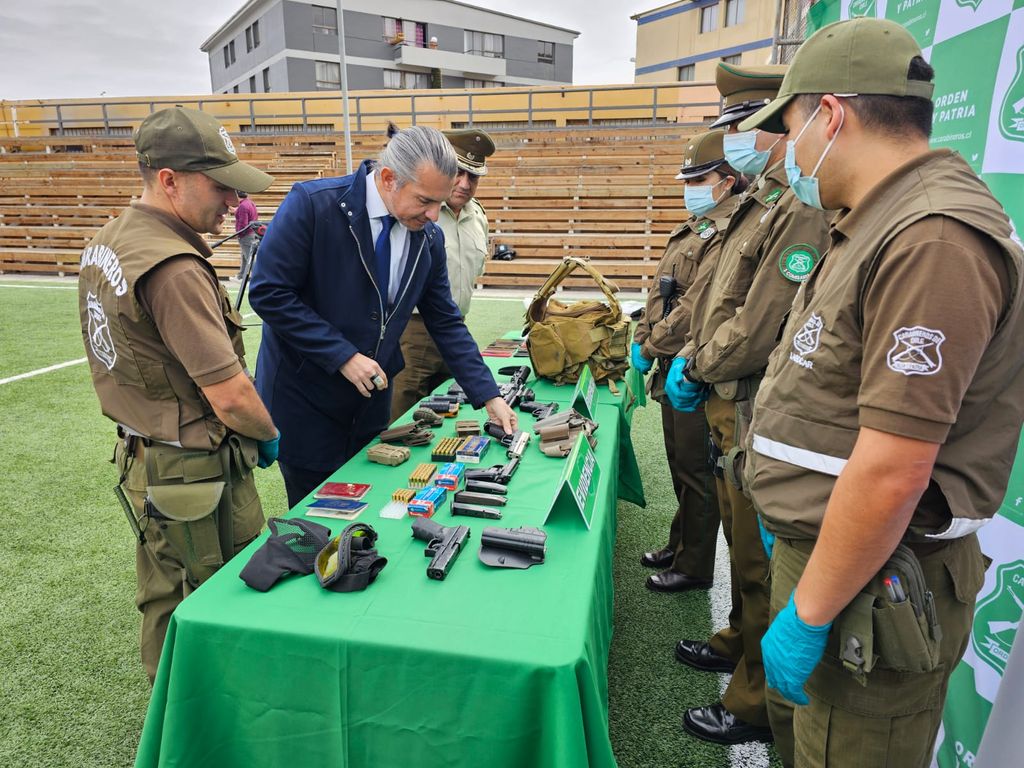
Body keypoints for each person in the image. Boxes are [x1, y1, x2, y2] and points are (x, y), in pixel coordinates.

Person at [741, 18, 1024, 766]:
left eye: (793, 127)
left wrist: (810, 611)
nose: (789, 152)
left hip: (871, 578)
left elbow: (896, 466)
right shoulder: (875, 221)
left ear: (830, 115)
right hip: (837, 555)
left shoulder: (931, 237)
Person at [77, 106, 280, 683]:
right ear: (169, 180)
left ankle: (171, 724)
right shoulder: (174, 265)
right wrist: (268, 435)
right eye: (218, 186)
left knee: (166, 595)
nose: (228, 201)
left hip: (149, 454)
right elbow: (232, 396)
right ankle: (208, 725)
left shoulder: (113, 239)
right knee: (220, 595)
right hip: (194, 467)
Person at [665, 62, 832, 751]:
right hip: (731, 398)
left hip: (753, 401)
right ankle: (741, 644)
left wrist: (697, 361)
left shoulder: (795, 205)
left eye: (749, 126)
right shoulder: (761, 202)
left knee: (761, 563)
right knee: (742, 546)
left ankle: (755, 695)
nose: (734, 138)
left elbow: (758, 322)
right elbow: (716, 300)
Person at [249, 125, 516, 507]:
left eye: (439, 203)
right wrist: (341, 355)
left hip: (371, 404)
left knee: (368, 509)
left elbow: (445, 321)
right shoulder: (312, 204)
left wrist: (489, 395)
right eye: (425, 200)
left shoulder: (429, 237)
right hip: (306, 401)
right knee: (319, 519)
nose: (433, 214)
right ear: (389, 178)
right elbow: (268, 292)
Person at [633, 129, 743, 593]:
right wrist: (642, 334)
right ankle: (681, 545)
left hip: (694, 366)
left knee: (698, 473)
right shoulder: (698, 227)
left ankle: (695, 566)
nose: (692, 187)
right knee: (680, 463)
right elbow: (661, 292)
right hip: (670, 362)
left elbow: (696, 305)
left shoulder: (728, 231)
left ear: (730, 182)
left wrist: (653, 343)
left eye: (703, 178)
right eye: (690, 178)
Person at [389, 128, 495, 420]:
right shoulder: (417, 213)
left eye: (473, 176)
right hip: (413, 332)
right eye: (458, 172)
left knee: (447, 417)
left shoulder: (478, 217)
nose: (464, 183)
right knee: (400, 415)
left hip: (454, 329)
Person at [234, 190, 259, 279]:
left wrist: (239, 234)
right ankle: (241, 276)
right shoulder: (250, 203)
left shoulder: (242, 206)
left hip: (245, 235)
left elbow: (243, 223)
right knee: (245, 257)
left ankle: (257, 277)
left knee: (249, 258)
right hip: (251, 233)